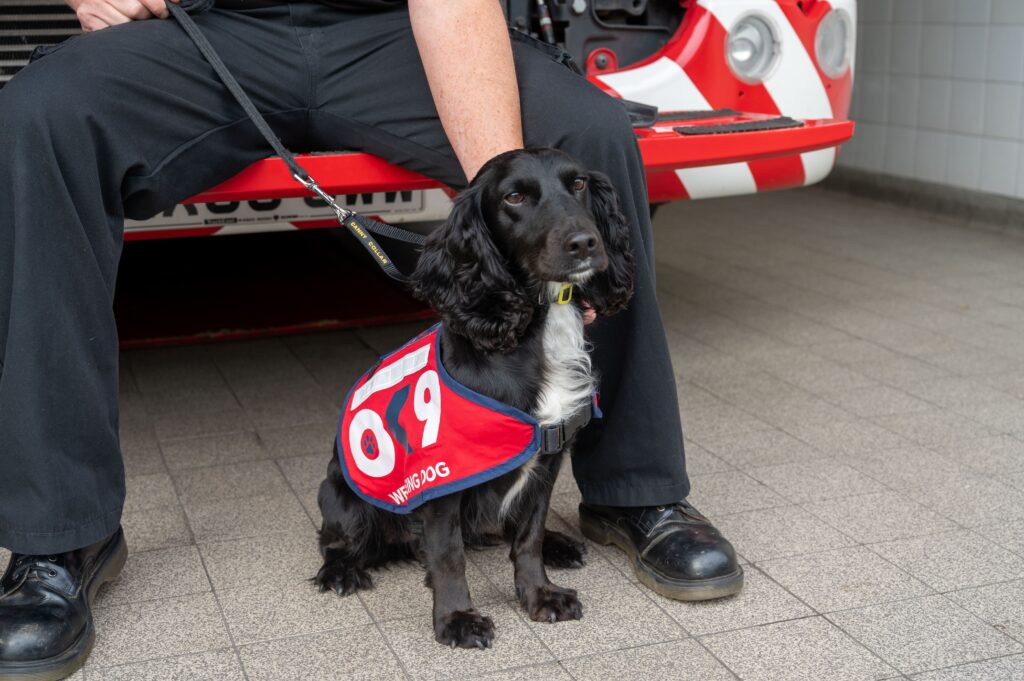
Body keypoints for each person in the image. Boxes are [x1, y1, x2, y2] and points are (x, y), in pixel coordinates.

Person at [0, 0, 742, 676]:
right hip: (206, 30)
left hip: (398, 29)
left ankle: (633, 489)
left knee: (592, 134)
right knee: (37, 119)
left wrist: (531, 239)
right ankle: (62, 531)